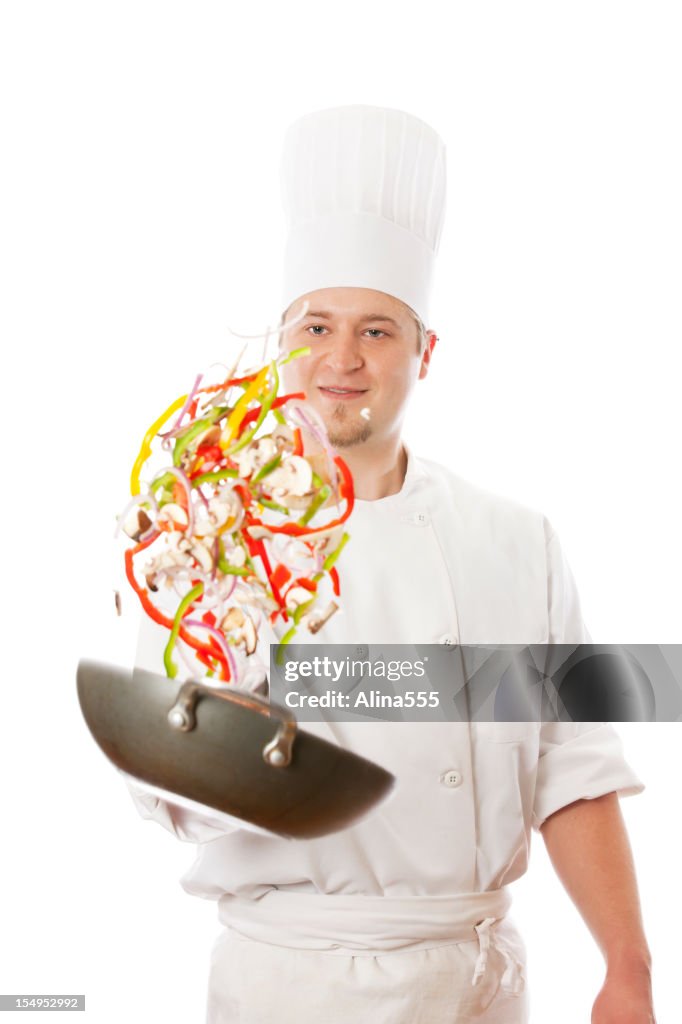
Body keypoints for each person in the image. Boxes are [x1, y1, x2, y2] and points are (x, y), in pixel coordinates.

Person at [127, 106, 655, 1022]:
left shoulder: (517, 540)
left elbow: (573, 770)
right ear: (279, 346)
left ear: (425, 352)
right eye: (316, 327)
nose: (342, 359)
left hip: (481, 981)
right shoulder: (202, 538)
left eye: (377, 330)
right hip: (293, 986)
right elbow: (170, 781)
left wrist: (628, 966)